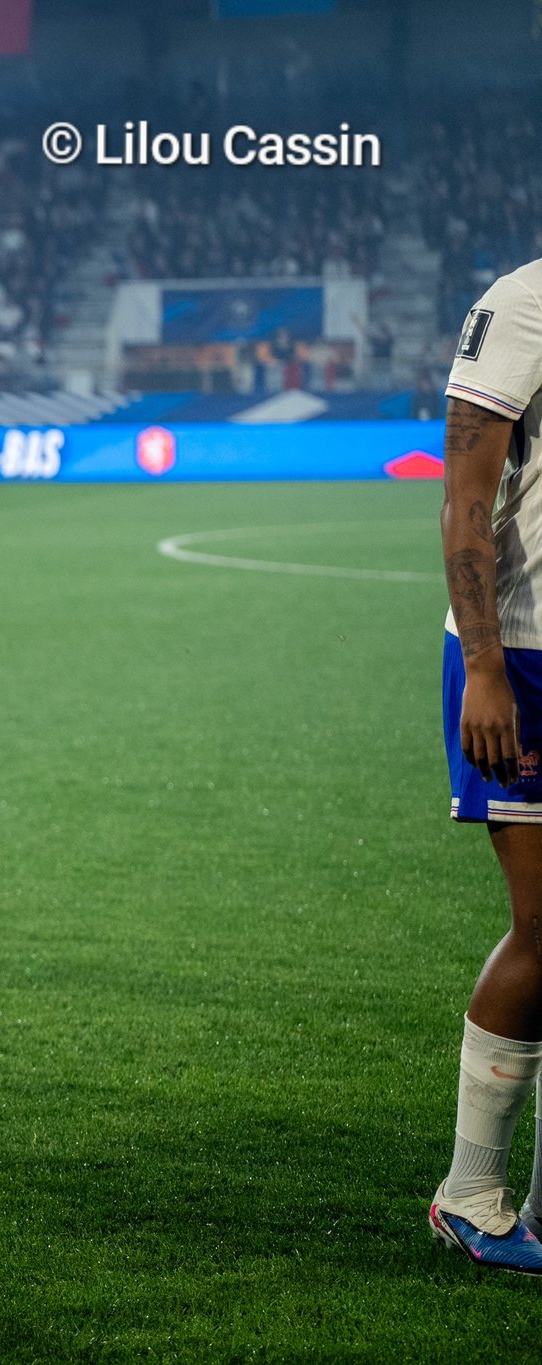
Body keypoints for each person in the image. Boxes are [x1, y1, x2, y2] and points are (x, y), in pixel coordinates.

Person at [432, 256, 542, 1272]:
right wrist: (481, 666)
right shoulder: (521, 302)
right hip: (522, 660)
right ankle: (468, 1194)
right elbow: (464, 493)